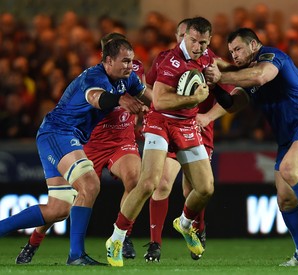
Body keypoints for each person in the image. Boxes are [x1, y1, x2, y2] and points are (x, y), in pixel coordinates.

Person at [0, 37, 146, 266]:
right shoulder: (93, 77)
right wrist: (120, 100)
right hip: (58, 133)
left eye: (131, 61)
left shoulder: (128, 78)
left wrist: (185, 103)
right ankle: (76, 255)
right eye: (125, 61)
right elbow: (96, 98)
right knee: (89, 185)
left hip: (67, 137)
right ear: (108, 60)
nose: (130, 65)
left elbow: (153, 98)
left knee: (58, 209)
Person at [204, 28, 298, 267]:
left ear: (254, 45)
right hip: (287, 139)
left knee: (289, 167)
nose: (235, 56)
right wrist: (213, 93)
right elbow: (233, 104)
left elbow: (260, 76)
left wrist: (222, 75)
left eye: (238, 49)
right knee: (285, 200)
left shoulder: (273, 58)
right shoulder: (246, 75)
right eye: (231, 52)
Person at [105, 17, 214, 267]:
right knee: (148, 184)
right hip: (160, 122)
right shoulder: (171, 61)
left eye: (203, 42)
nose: (198, 46)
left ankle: (185, 224)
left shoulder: (206, 56)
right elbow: (161, 102)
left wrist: (219, 72)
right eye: (193, 41)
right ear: (184, 36)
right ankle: (117, 238)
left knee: (206, 188)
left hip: (186, 125)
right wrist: (193, 99)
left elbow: (216, 66)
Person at [143, 18, 230, 262]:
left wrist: (208, 115)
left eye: (200, 41)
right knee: (161, 183)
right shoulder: (165, 59)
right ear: (179, 36)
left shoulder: (211, 61)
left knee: (195, 188)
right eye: (186, 38)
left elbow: (233, 96)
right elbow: (147, 87)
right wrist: (154, 109)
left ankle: (195, 228)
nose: (192, 44)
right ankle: (154, 245)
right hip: (169, 125)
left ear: (207, 41)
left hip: (200, 128)